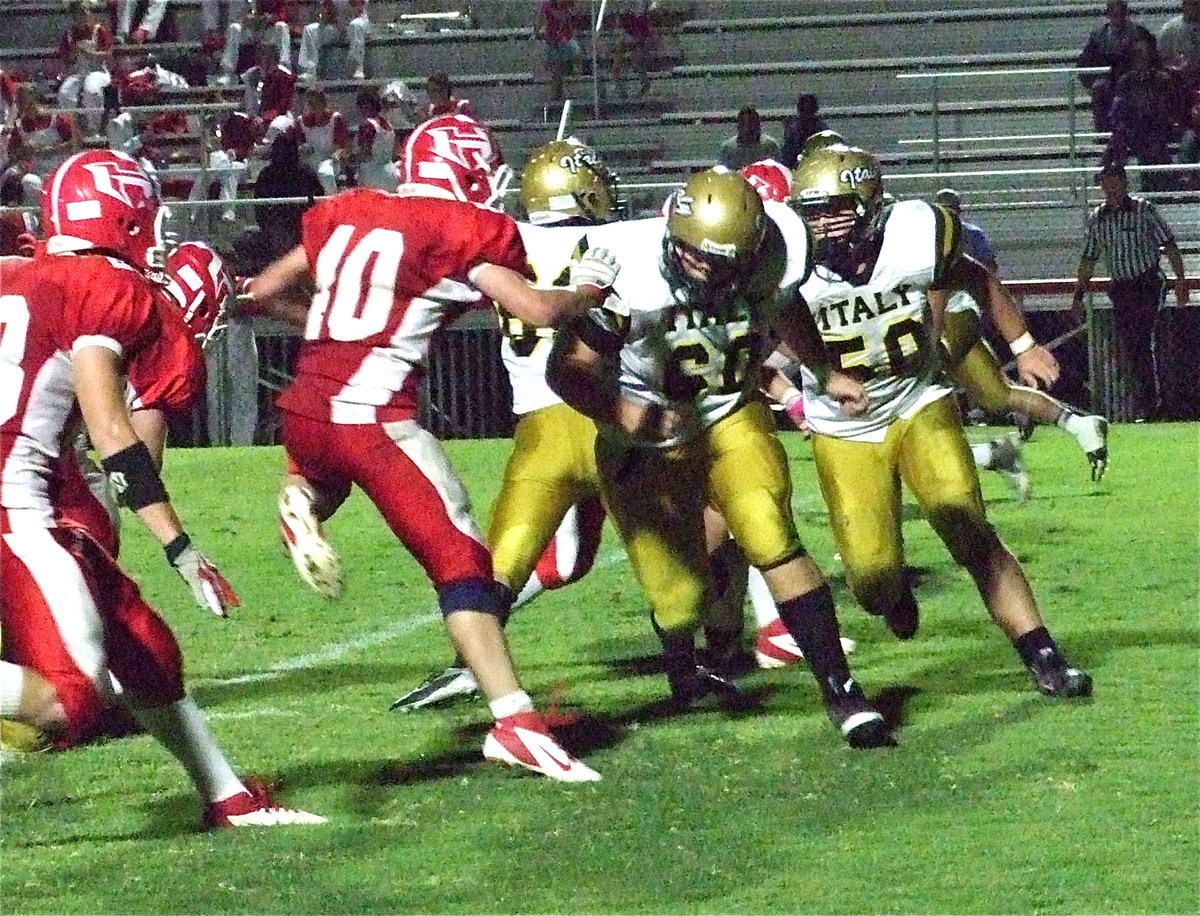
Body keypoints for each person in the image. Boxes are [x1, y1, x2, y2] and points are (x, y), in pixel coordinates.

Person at [246, 115, 620, 781]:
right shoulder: (464, 230)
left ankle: (301, 496)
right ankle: (516, 722)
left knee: (328, 474)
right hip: (374, 417)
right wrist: (587, 289)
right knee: (465, 566)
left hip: (306, 404)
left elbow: (262, 291)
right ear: (472, 171)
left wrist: (333, 333)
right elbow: (535, 309)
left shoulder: (348, 209)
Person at [0, 149, 325, 827]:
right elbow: (112, 429)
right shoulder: (104, 287)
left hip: (40, 492)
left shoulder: (17, 273)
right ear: (124, 215)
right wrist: (179, 546)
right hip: (17, 502)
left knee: (145, 650)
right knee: (71, 699)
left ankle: (227, 797)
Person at [547, 169, 893, 749]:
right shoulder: (627, 273)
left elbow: (784, 310)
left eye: (719, 261)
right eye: (690, 254)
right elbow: (567, 369)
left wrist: (824, 369)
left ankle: (843, 692)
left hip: (730, 408)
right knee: (678, 601)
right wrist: (628, 414)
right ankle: (686, 664)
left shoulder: (773, 254)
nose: (703, 270)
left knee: (768, 529)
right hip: (646, 431)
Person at [789, 143, 1092, 699]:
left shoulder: (918, 232)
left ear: (872, 204)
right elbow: (768, 319)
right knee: (872, 581)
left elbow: (978, 279)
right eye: (811, 212)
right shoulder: (787, 260)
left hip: (917, 397)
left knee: (967, 524)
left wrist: (1022, 344)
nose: (822, 225)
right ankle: (894, 593)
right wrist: (810, 373)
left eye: (835, 210)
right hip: (845, 424)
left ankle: (1044, 654)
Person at [392, 137, 621, 711]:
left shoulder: (499, 243)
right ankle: (747, 637)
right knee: (705, 510)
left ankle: (473, 657)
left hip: (539, 419)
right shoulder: (616, 242)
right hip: (600, 412)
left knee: (563, 560)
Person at [932, 186, 1110, 486]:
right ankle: (1077, 425)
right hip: (958, 315)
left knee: (891, 421)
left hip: (943, 321)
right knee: (997, 393)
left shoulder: (944, 240)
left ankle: (986, 455)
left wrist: (1023, 345)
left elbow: (980, 276)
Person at [1070, 161, 1189, 421]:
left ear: (1125, 183)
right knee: (1132, 346)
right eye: (1106, 182)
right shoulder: (1098, 219)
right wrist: (1078, 296)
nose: (1111, 188)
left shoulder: (1142, 210)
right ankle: (1148, 404)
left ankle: (1156, 405)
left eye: (1115, 182)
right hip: (1122, 288)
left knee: (1145, 340)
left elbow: (1168, 245)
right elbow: (1088, 259)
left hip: (1147, 283)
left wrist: (1181, 281)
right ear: (1101, 185)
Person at [1106, 28, 1184, 193]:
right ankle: (1115, 180)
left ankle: (1158, 186)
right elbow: (1119, 110)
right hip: (1133, 128)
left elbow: (1169, 108)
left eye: (1144, 52)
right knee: (1118, 139)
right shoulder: (1125, 82)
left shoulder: (1163, 79)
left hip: (1158, 127)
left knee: (1151, 142)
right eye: (1137, 53)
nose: (1141, 57)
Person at [254, 131, 325, 257]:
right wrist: (269, 226)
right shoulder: (267, 175)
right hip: (276, 225)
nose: (282, 154)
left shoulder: (305, 172)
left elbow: (318, 198)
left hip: (301, 222)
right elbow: (260, 207)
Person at [1077, 0, 1144, 132]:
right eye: (1114, 13)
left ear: (1126, 13)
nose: (1117, 17)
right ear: (1108, 14)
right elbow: (1084, 63)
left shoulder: (1139, 33)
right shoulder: (1098, 36)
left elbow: (1148, 58)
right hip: (1106, 81)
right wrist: (1091, 83)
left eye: (1121, 13)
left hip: (1133, 78)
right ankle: (1103, 130)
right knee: (1099, 87)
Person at [58, 0, 114, 137]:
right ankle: (74, 129)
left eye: (84, 13)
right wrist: (73, 52)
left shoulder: (99, 30)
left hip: (98, 71)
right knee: (65, 93)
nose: (81, 17)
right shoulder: (70, 35)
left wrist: (88, 53)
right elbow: (67, 61)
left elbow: (107, 55)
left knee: (92, 90)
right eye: (77, 14)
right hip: (79, 72)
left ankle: (94, 129)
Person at [292, 87, 352, 193]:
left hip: (330, 162)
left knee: (325, 173)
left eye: (316, 102)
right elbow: (299, 146)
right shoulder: (301, 122)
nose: (313, 106)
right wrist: (302, 149)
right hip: (310, 163)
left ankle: (332, 201)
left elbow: (345, 147)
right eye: (310, 102)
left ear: (323, 102)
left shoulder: (335, 119)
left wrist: (337, 155)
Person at [298, 0, 370, 83]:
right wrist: (326, 14)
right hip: (337, 26)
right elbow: (325, 13)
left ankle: (358, 66)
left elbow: (358, 9)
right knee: (310, 29)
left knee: (355, 25)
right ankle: (310, 70)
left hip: (359, 22)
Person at [350, 86, 396, 191]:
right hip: (390, 173)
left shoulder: (367, 125)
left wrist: (348, 159)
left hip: (372, 175)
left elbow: (365, 154)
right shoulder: (388, 124)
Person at [611, 0, 657, 100]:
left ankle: (644, 85)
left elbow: (643, 14)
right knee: (618, 63)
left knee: (635, 61)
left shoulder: (639, 11)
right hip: (628, 30)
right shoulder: (625, 12)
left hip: (636, 30)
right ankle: (621, 89)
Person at [537, 0, 582, 101]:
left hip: (566, 38)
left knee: (573, 56)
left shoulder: (567, 3)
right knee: (557, 65)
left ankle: (569, 90)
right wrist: (543, 32)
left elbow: (575, 15)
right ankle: (557, 93)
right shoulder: (546, 5)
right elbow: (541, 25)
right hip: (553, 40)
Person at [716, 106, 781, 170]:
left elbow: (779, 170)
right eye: (745, 124)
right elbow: (722, 173)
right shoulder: (728, 148)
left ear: (758, 124)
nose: (749, 128)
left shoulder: (770, 146)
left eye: (752, 124)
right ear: (738, 126)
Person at [780, 93, 828, 168]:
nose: (807, 115)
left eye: (809, 109)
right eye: (804, 110)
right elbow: (787, 157)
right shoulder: (793, 132)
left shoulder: (823, 129)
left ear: (815, 109)